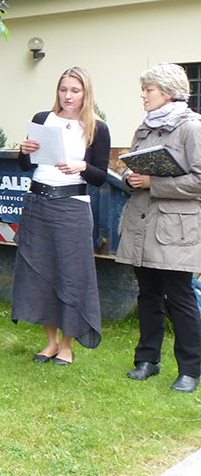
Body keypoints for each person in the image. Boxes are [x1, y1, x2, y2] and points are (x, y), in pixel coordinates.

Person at [11, 67, 111, 365]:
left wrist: (80, 167)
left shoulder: (97, 128)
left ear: (86, 94)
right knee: (39, 272)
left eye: (75, 91)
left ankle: (67, 345)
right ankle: (51, 342)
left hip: (71, 207)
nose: (68, 96)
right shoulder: (43, 119)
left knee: (70, 275)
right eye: (63, 89)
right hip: (38, 203)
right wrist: (25, 151)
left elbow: (100, 177)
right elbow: (25, 166)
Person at [117, 63, 201, 393]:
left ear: (167, 92)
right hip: (142, 222)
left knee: (180, 299)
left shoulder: (192, 127)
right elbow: (135, 164)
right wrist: (130, 177)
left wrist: (154, 183)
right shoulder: (146, 127)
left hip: (175, 229)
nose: (143, 95)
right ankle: (147, 361)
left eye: (148, 90)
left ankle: (190, 370)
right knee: (148, 294)